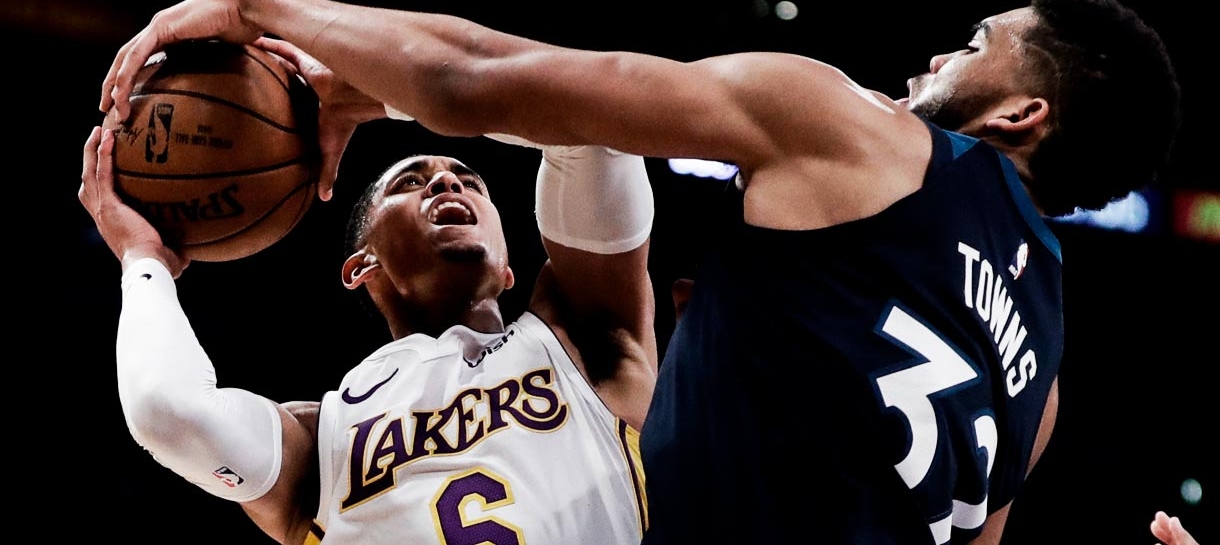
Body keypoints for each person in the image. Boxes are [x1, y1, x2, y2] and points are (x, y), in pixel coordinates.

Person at [99, 0, 1182, 543]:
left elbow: (481, 80)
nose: (940, 55)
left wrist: (255, 13)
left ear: (1022, 111)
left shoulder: (855, 130)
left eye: (979, 41)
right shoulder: (1042, 373)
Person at [83, 38, 659, 543]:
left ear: (509, 268)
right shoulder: (322, 442)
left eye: (470, 181)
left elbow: (593, 129)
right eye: (409, 182)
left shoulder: (582, 338)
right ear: (362, 266)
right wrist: (144, 260)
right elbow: (166, 410)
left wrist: (372, 97)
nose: (446, 180)